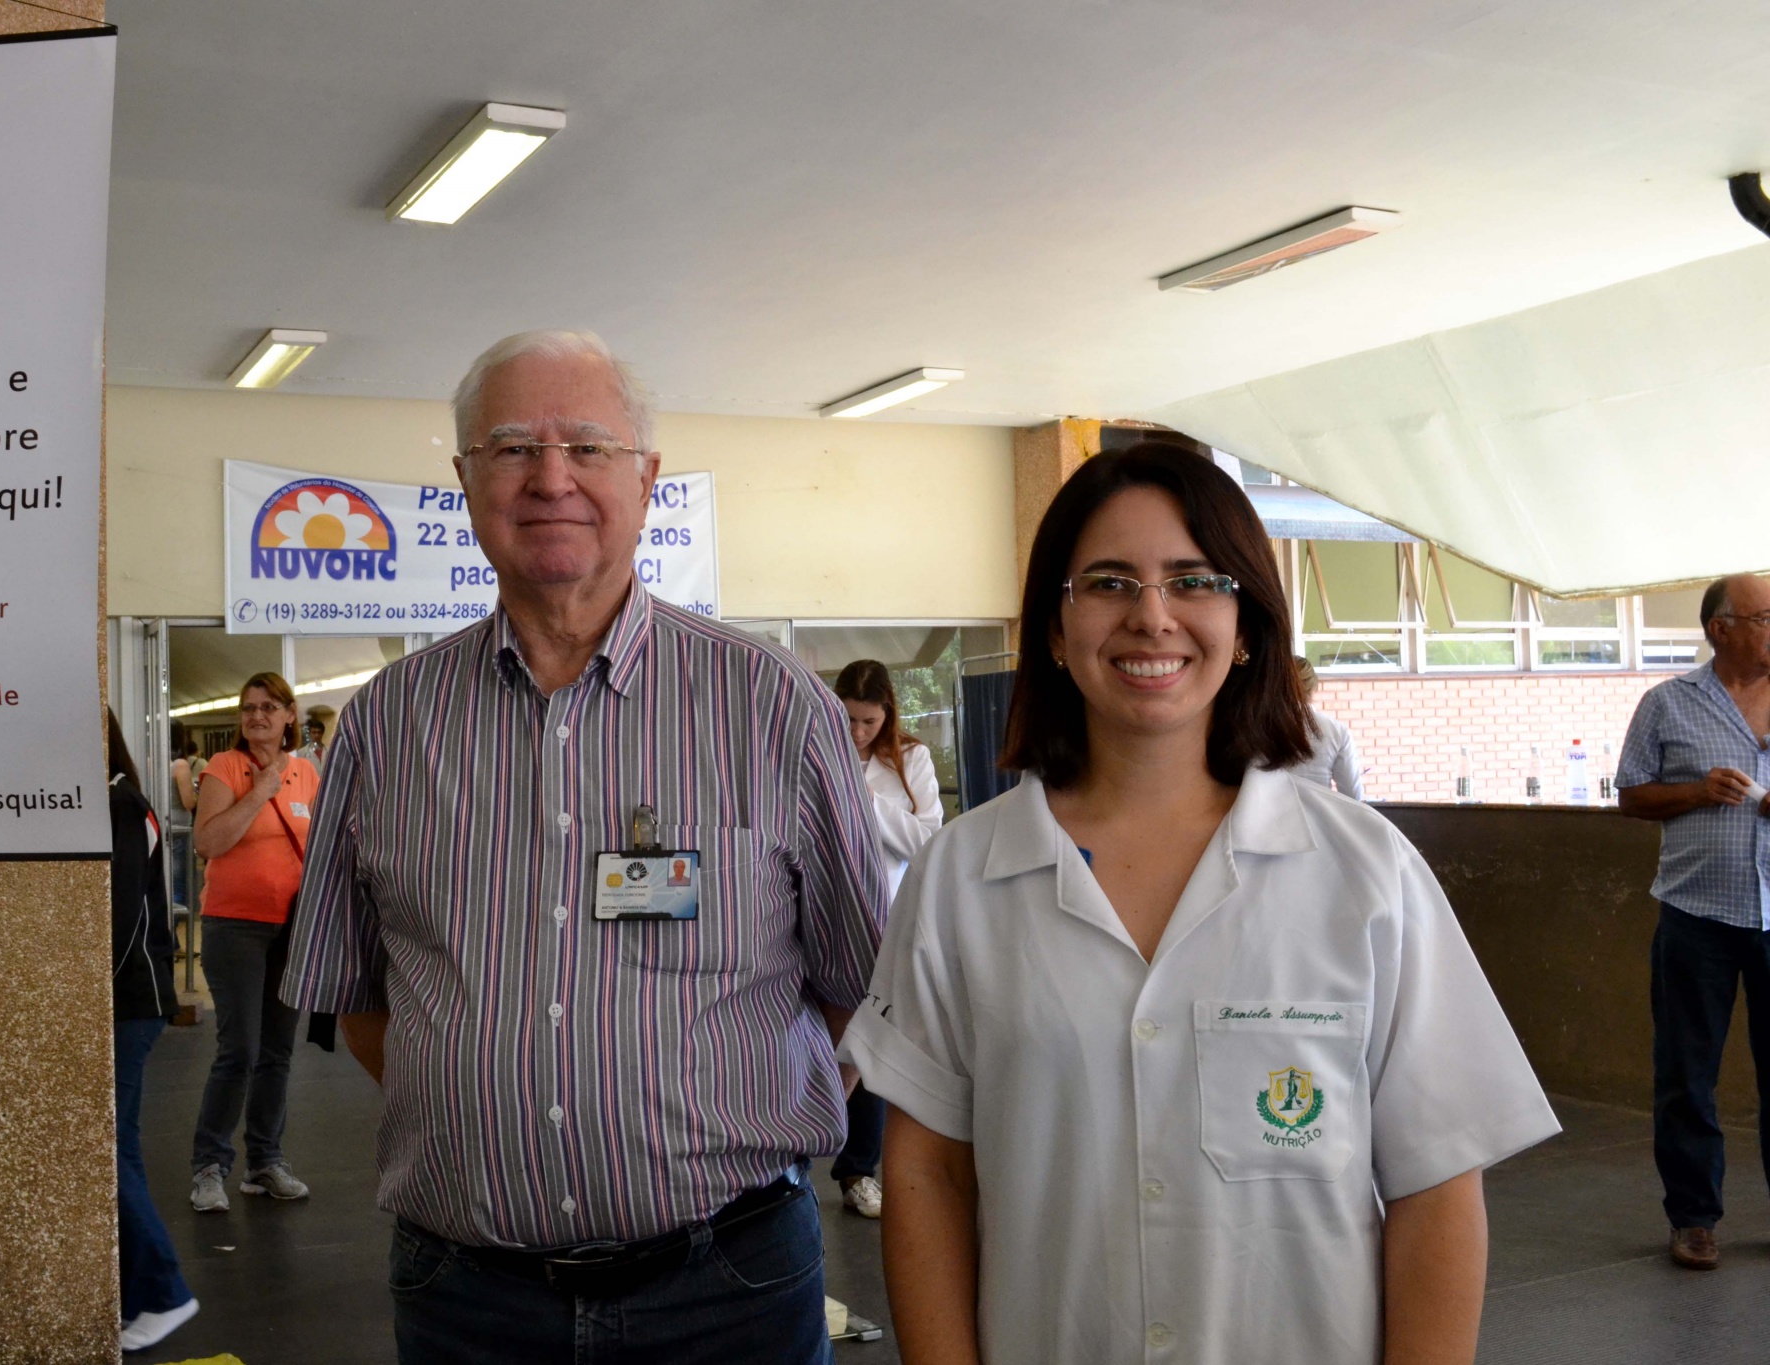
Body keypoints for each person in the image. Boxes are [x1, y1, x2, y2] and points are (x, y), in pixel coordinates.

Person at [842, 442, 1560, 1364]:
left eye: (1193, 579)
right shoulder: (961, 878)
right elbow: (929, 1175)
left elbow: (1436, 1187)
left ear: (1247, 622)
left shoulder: (1364, 872)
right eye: (1107, 582)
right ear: (1055, 632)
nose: (1151, 616)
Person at [279, 330, 886, 1365]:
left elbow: (854, 989)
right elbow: (366, 1001)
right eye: (510, 448)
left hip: (728, 1290)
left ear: (646, 479)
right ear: (466, 482)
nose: (548, 477)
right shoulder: (385, 723)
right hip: (468, 1299)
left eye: (588, 448)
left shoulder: (771, 705)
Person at [1617, 573, 1770, 1271]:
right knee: (1687, 1072)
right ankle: (1694, 1219)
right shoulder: (1667, 704)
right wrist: (1698, 790)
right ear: (1722, 627)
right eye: (1768, 615)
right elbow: (1633, 796)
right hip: (1697, 916)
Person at [188, 671, 320, 1213]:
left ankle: (265, 1161)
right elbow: (208, 842)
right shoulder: (226, 768)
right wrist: (261, 790)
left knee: (276, 1052)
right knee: (239, 1049)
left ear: (290, 716)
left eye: (269, 707)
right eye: (248, 708)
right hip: (234, 926)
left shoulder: (308, 773)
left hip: (290, 927)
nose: (257, 716)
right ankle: (209, 1166)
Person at [829, 659, 943, 1220]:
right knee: (813, 1033)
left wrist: (863, 801)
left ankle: (857, 1170)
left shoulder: (910, 760)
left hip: (882, 919)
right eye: (848, 719)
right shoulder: (815, 751)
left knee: (868, 1037)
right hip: (818, 914)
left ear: (887, 715)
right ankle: (783, 1156)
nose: (856, 733)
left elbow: (927, 840)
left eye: (868, 722)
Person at [106, 710, 201, 1352]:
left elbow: (110, 921)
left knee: (107, 1146)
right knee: (119, 1146)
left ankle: (164, 1290)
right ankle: (144, 1291)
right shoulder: (114, 800)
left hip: (128, 999)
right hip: (130, 999)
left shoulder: (117, 805)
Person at [1283, 655, 1365, 798]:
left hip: (1272, 818)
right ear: (1314, 687)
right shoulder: (1336, 730)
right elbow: (1353, 795)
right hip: (1319, 817)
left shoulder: (1257, 727)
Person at [168, 723, 199, 911]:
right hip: (180, 829)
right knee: (180, 883)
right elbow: (188, 802)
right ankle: (176, 932)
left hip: (162, 827)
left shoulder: (152, 760)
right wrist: (198, 794)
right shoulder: (181, 765)